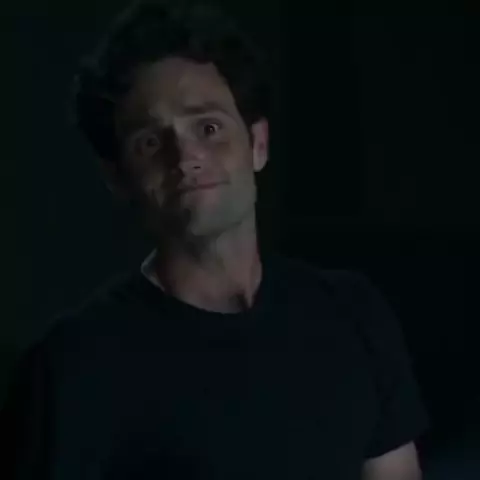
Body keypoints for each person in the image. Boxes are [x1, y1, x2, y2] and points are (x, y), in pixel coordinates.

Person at [0, 1, 429, 478]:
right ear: (117, 178)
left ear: (258, 145)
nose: (186, 157)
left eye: (208, 127)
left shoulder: (353, 315)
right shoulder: (73, 367)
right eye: (150, 141)